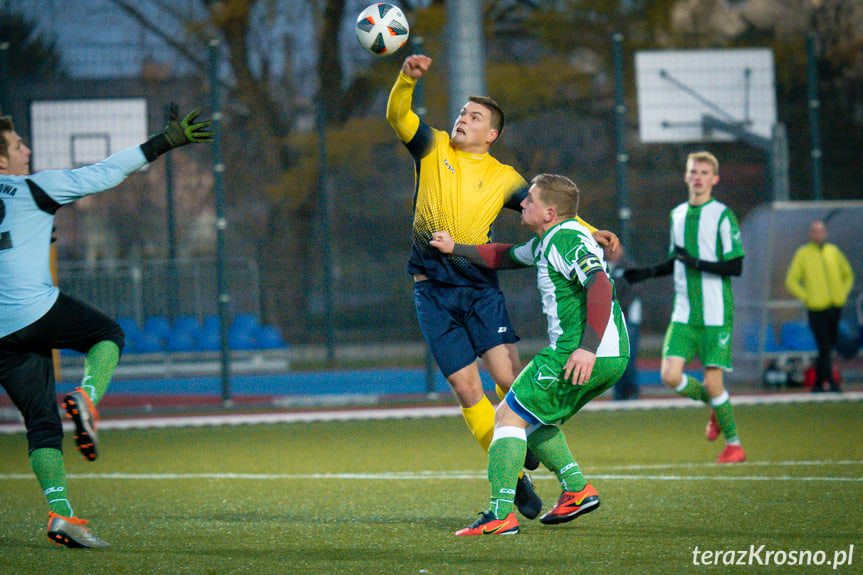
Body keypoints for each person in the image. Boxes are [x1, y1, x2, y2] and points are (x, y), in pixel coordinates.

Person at [386, 54, 619, 520]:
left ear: (491, 134)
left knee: (512, 385)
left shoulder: (506, 178)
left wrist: (590, 231)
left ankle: (565, 479)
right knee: (466, 389)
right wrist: (405, 79)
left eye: (473, 117)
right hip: (431, 289)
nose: (461, 120)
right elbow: (397, 115)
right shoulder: (431, 147)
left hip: (478, 289)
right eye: (461, 114)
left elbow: (552, 212)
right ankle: (516, 482)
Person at [0, 108, 211, 547]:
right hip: (36, 309)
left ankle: (62, 516)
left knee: (40, 423)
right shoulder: (33, 189)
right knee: (108, 334)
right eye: (19, 145)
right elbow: (104, 173)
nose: (27, 149)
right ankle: (87, 398)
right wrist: (163, 142)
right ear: (2, 161)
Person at [430, 173, 629, 535]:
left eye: (531, 200)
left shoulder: (565, 239)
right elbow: (502, 255)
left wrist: (586, 348)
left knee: (507, 415)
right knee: (533, 419)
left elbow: (598, 283)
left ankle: (500, 514)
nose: (522, 203)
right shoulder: (549, 240)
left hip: (581, 350)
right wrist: (455, 246)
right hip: (607, 353)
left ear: (550, 212)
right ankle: (576, 490)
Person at [623, 151, 746, 464]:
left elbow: (736, 266)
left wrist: (696, 262)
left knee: (714, 382)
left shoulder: (722, 215)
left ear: (714, 179)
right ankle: (717, 406)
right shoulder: (677, 214)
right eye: (694, 171)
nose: (698, 177)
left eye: (705, 172)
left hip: (716, 314)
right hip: (684, 314)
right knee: (670, 376)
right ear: (687, 176)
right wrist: (643, 273)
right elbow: (675, 262)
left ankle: (734, 445)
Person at [784, 220, 854, 392]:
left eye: (821, 231)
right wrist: (807, 297)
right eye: (815, 231)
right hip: (816, 308)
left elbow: (848, 274)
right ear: (811, 234)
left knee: (828, 345)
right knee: (824, 344)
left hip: (834, 306)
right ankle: (830, 382)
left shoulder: (833, 251)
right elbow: (791, 280)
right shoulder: (804, 253)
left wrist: (841, 294)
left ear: (826, 233)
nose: (819, 234)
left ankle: (819, 383)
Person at [605, 244, 642, 400]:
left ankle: (631, 391)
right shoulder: (602, 266)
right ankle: (619, 392)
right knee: (615, 357)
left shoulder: (629, 267)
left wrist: (616, 309)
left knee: (628, 355)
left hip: (628, 318)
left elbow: (633, 292)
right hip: (611, 319)